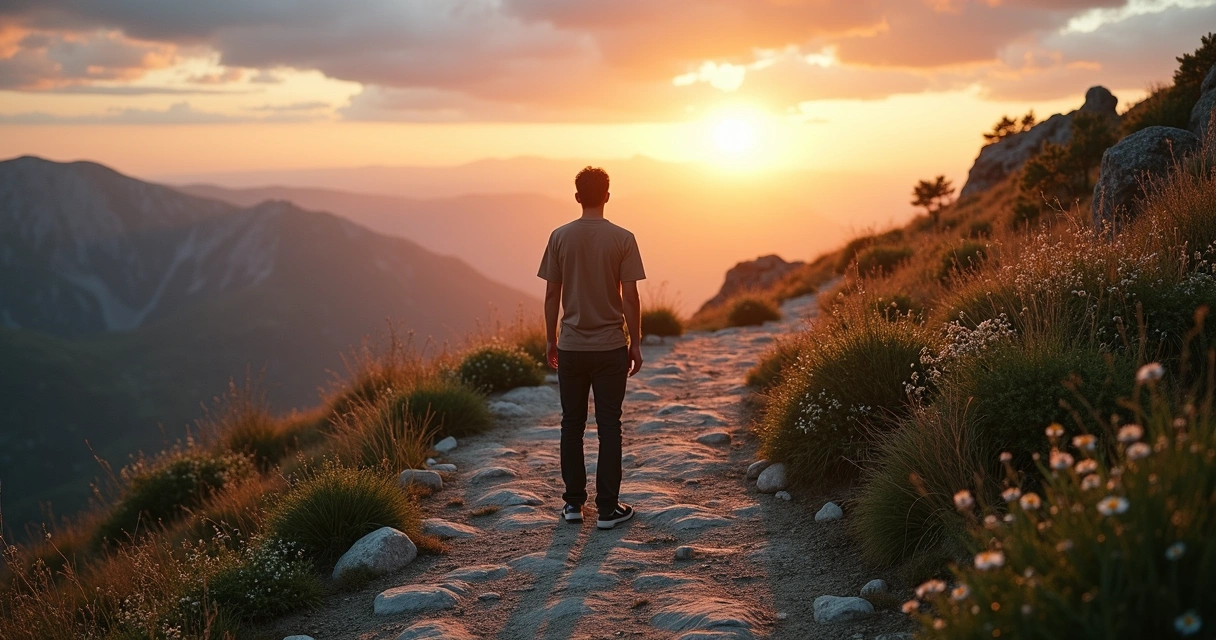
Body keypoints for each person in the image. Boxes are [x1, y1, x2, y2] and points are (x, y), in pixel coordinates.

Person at [537, 166, 646, 530]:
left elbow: (551, 294)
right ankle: (608, 510)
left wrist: (551, 339)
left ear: (577, 197)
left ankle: (572, 504)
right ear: (608, 196)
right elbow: (630, 297)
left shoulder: (559, 237)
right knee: (609, 426)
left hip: (571, 347)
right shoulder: (623, 238)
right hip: (611, 346)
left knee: (571, 424)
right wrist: (636, 343)